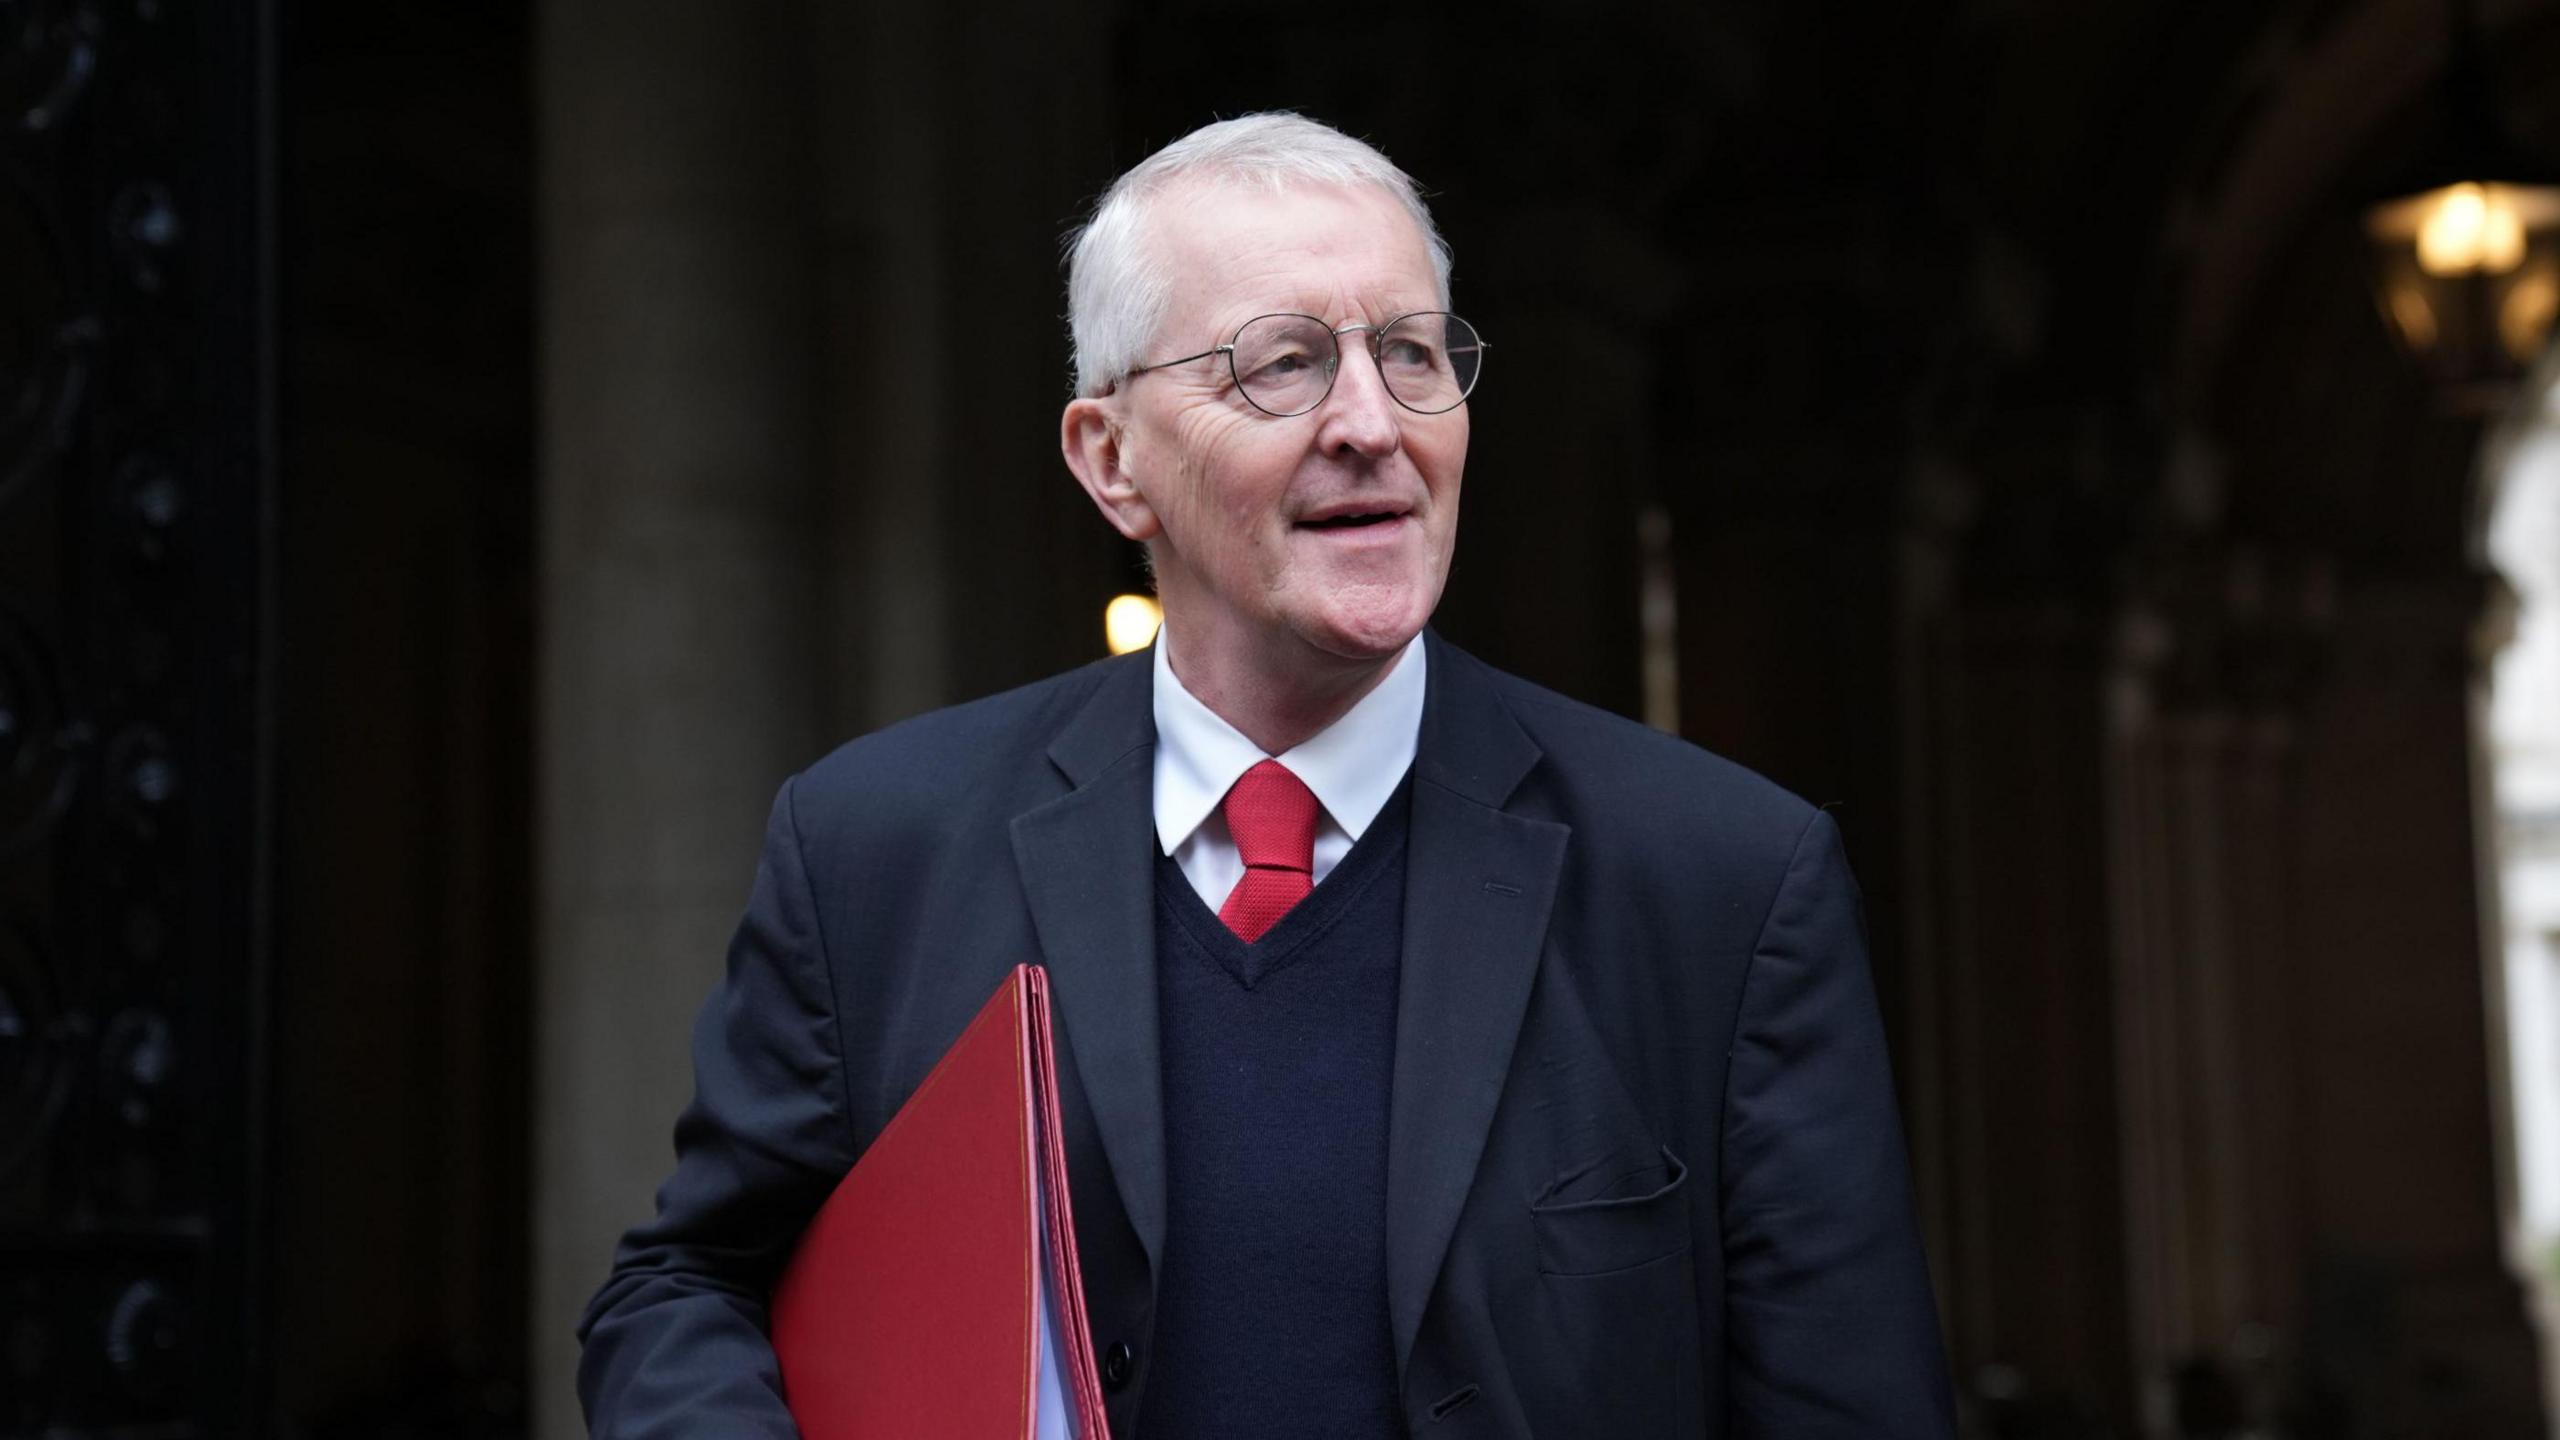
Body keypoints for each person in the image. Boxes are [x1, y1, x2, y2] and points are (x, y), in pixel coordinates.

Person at [578, 112, 1954, 1439]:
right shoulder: (876, 848)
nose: (1373, 420)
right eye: (1280, 364)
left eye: (1413, 353)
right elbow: (683, 1291)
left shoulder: (1720, 881)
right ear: (1112, 461)